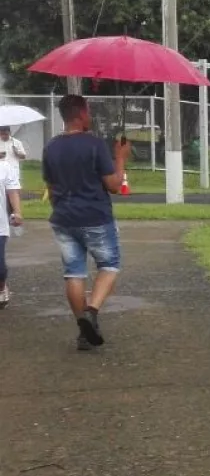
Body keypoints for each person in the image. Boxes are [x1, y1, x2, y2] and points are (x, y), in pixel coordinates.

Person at [42, 95, 124, 350]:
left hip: (64, 218)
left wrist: (63, 209)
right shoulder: (94, 144)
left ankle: (83, 333)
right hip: (95, 216)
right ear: (80, 114)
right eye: (87, 111)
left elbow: (51, 186)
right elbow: (112, 185)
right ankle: (91, 312)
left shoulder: (51, 147)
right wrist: (120, 157)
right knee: (109, 265)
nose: (89, 115)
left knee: (74, 273)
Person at [0, 147, 21, 308]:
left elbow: (12, 191)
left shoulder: (5, 167)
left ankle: (1, 287)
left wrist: (17, 212)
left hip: (0, 223)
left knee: (0, 267)